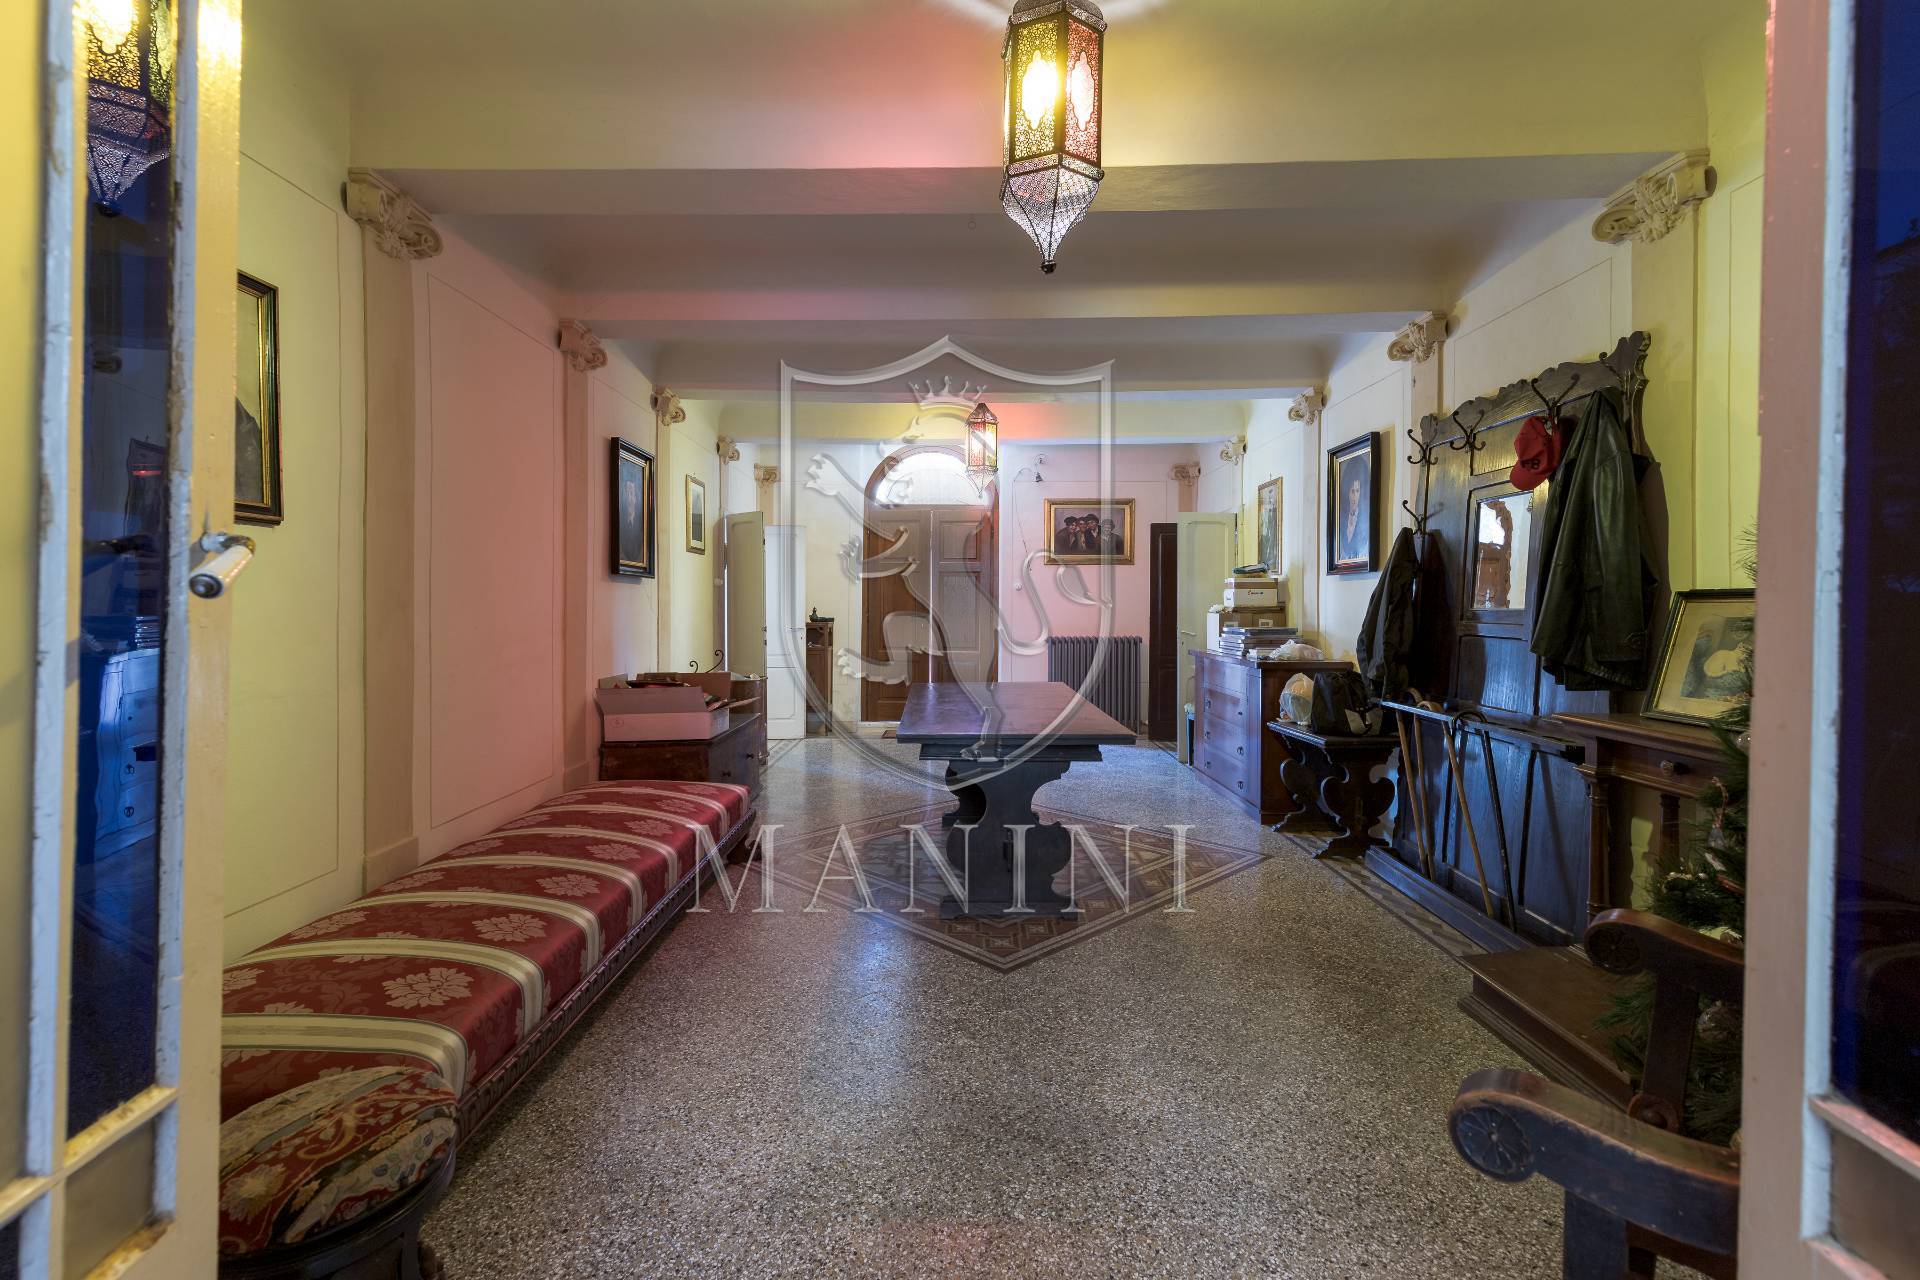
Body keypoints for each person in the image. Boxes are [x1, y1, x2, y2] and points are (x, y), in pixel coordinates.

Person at [1337, 469, 1369, 565]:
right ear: (1348, 493)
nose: (1355, 496)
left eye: (1357, 491)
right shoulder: (1341, 520)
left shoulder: (1364, 521)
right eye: (1352, 491)